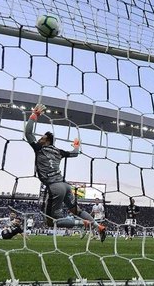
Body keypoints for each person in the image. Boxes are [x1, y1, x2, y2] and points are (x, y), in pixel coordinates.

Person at [25, 103, 106, 242]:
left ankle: (82, 224)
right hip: (65, 185)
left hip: (54, 187)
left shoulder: (39, 148)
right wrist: (76, 146)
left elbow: (28, 133)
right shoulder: (58, 151)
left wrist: (35, 115)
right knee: (77, 211)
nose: (40, 138)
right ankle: (98, 226)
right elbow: (75, 154)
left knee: (50, 222)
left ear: (47, 141)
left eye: (42, 137)